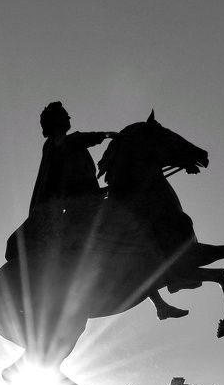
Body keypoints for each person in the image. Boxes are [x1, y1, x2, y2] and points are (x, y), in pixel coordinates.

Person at [25, 102, 187, 321]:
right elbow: (71, 145)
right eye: (64, 115)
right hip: (78, 210)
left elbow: (83, 183)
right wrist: (105, 135)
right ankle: (167, 289)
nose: (69, 118)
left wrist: (104, 191)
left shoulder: (69, 147)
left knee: (133, 234)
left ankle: (160, 304)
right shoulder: (56, 143)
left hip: (87, 204)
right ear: (55, 122)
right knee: (134, 232)